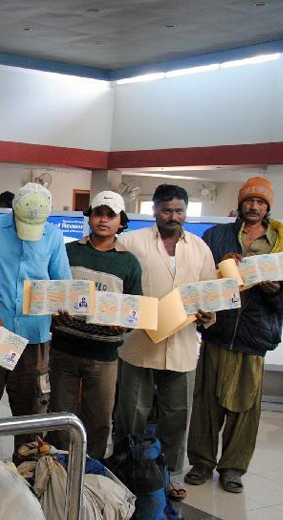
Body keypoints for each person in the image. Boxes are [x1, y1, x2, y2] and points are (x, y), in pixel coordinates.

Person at [186, 177, 283, 493]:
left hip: (254, 340)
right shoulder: (217, 236)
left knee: (244, 411)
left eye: (261, 202)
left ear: (268, 207)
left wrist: (276, 291)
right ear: (240, 203)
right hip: (217, 332)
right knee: (205, 405)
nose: (254, 206)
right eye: (249, 200)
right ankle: (201, 464)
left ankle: (233, 469)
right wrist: (220, 266)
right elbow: (197, 278)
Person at [113, 184, 216, 502]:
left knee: (176, 415)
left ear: (186, 212)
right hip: (139, 343)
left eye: (179, 211)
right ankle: (124, 472)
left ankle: (169, 475)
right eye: (166, 210)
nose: (173, 216)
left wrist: (209, 316)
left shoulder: (199, 248)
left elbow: (209, 294)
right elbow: (117, 285)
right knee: (131, 412)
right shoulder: (130, 242)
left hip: (182, 346)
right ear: (155, 210)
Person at [48, 191, 142, 459]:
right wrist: (53, 311)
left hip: (104, 356)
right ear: (89, 218)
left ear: (121, 222)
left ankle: (94, 470)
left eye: (111, 215)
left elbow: (134, 310)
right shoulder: (68, 252)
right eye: (98, 213)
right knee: (60, 415)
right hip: (64, 350)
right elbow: (52, 292)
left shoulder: (129, 262)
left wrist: (123, 325)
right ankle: (59, 466)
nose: (103, 220)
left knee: (100, 418)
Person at [0, 183, 71, 455]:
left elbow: (62, 282)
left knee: (31, 409)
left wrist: (63, 305)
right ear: (12, 208)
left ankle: (29, 472)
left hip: (34, 336)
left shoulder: (53, 236)